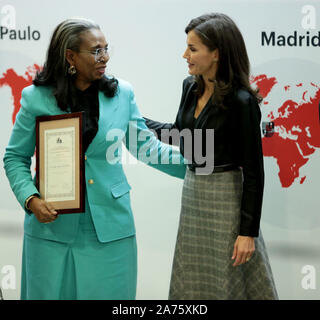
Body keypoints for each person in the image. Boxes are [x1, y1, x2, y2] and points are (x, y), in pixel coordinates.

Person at [3, 18, 186, 300]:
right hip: (51, 231)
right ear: (70, 56)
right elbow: (15, 157)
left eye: (106, 49)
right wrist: (31, 199)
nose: (105, 57)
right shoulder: (35, 97)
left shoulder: (122, 94)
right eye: (96, 50)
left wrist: (205, 165)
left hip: (110, 231)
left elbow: (147, 148)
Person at [144, 13, 278, 299]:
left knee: (227, 282)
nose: (185, 55)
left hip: (226, 202)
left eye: (192, 49)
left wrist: (247, 233)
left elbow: (254, 173)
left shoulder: (242, 102)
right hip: (193, 195)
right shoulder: (190, 86)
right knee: (193, 279)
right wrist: (135, 121)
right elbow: (180, 135)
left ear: (216, 54)